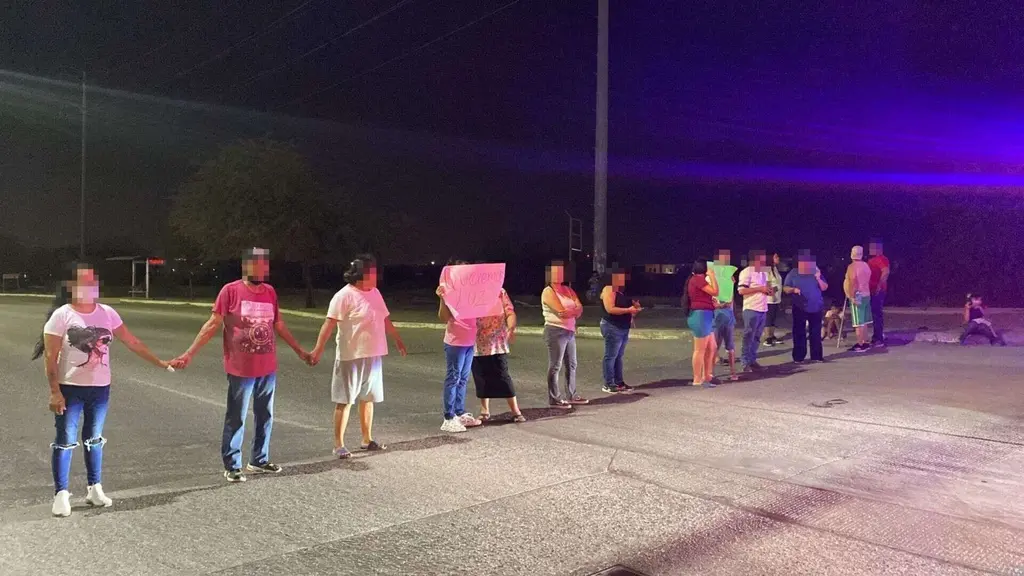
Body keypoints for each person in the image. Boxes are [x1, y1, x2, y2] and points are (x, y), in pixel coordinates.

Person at [33, 262, 174, 517]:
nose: (90, 286)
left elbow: (132, 341)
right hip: (70, 388)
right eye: (84, 282)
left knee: (94, 438)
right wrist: (55, 391)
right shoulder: (62, 315)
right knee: (65, 440)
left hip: (100, 389)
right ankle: (61, 494)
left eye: (93, 281)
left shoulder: (107, 313)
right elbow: (50, 357)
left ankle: (94, 488)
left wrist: (160, 362)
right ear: (72, 286)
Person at [174, 248, 312, 483]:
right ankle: (232, 465)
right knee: (236, 416)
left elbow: (278, 325)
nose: (262, 269)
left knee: (265, 415)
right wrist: (189, 354)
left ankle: (259, 459)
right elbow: (212, 324)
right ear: (245, 266)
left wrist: (300, 352)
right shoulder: (230, 291)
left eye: (265, 265)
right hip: (241, 368)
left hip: (267, 366)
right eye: (257, 265)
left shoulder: (270, 292)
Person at [311, 255, 407, 459]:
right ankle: (339, 444)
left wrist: (397, 339)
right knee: (344, 400)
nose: (376, 277)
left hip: (373, 354)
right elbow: (329, 323)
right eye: (371, 274)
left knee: (368, 398)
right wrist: (318, 349)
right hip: (351, 356)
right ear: (360, 276)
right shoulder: (344, 296)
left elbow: (385, 318)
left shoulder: (375, 293)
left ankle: (366, 439)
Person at [437, 259, 484, 433]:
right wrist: (442, 298)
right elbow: (443, 317)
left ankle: (459, 412)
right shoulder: (450, 292)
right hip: (455, 342)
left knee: (463, 379)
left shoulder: (470, 293)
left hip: (469, 341)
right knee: (453, 378)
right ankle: (448, 417)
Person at [471, 285, 525, 422]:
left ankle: (515, 410)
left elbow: (510, 312)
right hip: (478, 342)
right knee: (481, 377)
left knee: (503, 376)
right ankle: (485, 410)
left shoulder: (499, 291)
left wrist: (511, 328)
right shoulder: (472, 292)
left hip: (497, 343)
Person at [542, 260, 589, 408]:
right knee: (556, 366)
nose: (559, 275)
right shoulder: (548, 291)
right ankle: (554, 398)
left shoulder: (568, 290)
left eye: (561, 272)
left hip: (569, 331)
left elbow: (580, 308)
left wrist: (573, 312)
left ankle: (571, 395)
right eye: (555, 272)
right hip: (555, 331)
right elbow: (561, 312)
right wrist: (573, 311)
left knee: (572, 364)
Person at [599, 268, 641, 394]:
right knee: (611, 356)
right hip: (612, 326)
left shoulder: (621, 292)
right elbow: (610, 309)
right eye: (620, 276)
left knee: (618, 356)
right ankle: (608, 383)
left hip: (623, 327)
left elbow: (628, 310)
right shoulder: (609, 289)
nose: (622, 279)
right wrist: (629, 310)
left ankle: (619, 382)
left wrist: (635, 309)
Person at [783, 251, 829, 363]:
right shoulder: (793, 273)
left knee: (816, 332)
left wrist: (818, 278)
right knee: (799, 332)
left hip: (816, 306)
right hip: (800, 306)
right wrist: (793, 290)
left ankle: (816, 356)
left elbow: (824, 287)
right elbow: (785, 288)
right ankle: (799, 357)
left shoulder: (816, 271)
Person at [684, 260, 720, 386]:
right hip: (700, 316)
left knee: (712, 347)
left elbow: (705, 296)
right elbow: (715, 291)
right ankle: (697, 379)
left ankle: (707, 376)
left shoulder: (699, 280)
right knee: (700, 349)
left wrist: (712, 304)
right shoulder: (697, 279)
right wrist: (712, 276)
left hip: (706, 315)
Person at [738, 250, 773, 372]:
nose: (764, 260)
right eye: (762, 258)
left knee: (757, 337)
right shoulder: (747, 272)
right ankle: (745, 362)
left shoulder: (763, 272)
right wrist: (760, 289)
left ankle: (752, 360)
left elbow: (765, 288)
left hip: (763, 308)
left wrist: (768, 291)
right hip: (751, 308)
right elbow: (741, 290)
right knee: (748, 336)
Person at [708, 249, 739, 381]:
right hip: (716, 315)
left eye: (728, 257)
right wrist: (718, 305)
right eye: (723, 257)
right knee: (714, 346)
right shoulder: (710, 276)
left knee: (730, 346)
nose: (726, 259)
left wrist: (729, 305)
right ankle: (710, 373)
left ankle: (733, 373)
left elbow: (731, 297)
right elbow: (709, 297)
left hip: (728, 315)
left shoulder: (729, 276)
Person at [844, 245, 873, 353]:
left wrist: (852, 296)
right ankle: (865, 342)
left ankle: (860, 344)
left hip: (858, 295)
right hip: (866, 294)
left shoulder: (852, 267)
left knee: (858, 321)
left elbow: (853, 282)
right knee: (864, 320)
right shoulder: (865, 265)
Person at [867, 240, 890, 348]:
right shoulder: (872, 260)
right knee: (874, 314)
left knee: (876, 314)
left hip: (877, 290)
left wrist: (879, 286)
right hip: (871, 290)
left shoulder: (881, 259)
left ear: (878, 249)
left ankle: (878, 338)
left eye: (872, 247)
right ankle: (877, 336)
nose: (870, 249)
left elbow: (885, 272)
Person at [764, 252, 784, 346]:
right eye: (776, 257)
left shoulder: (775, 268)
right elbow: (767, 285)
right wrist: (773, 293)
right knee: (768, 318)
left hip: (776, 298)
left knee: (773, 318)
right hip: (769, 298)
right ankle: (767, 338)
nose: (778, 258)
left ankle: (772, 336)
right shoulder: (766, 269)